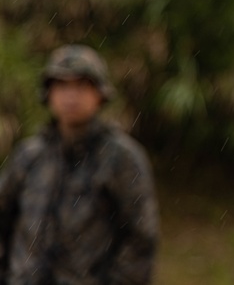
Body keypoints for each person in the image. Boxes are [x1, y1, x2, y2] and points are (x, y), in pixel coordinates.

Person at [0, 45, 159, 285]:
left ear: (100, 93)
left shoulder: (121, 158)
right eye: (62, 85)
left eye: (82, 86)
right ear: (49, 93)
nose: (71, 96)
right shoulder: (30, 155)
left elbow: (141, 239)